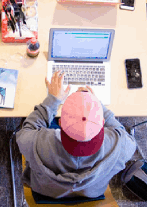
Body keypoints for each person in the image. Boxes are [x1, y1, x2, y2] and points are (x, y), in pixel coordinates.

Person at [15, 71, 137, 199]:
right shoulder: (121, 145)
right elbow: (121, 132)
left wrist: (53, 100)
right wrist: (97, 105)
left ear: (61, 123)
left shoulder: (38, 143)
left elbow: (25, 132)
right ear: (102, 122)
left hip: (45, 190)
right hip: (92, 193)